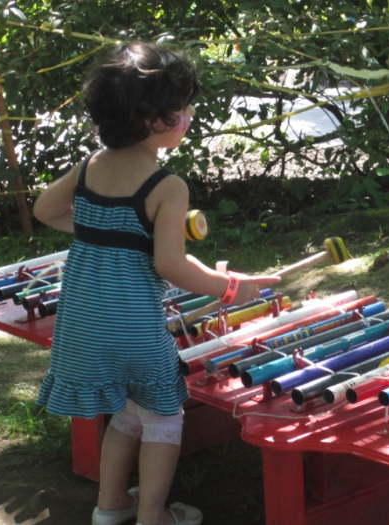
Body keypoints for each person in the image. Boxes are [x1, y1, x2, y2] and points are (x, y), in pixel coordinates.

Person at [33, 42, 280, 525]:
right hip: (132, 329)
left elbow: (46, 211)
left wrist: (107, 237)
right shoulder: (167, 185)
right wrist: (231, 288)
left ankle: (110, 507)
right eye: (181, 107)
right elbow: (172, 265)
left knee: (126, 412)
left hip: (81, 325)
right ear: (152, 119)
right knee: (164, 417)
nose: (188, 114)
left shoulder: (92, 165)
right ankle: (153, 516)